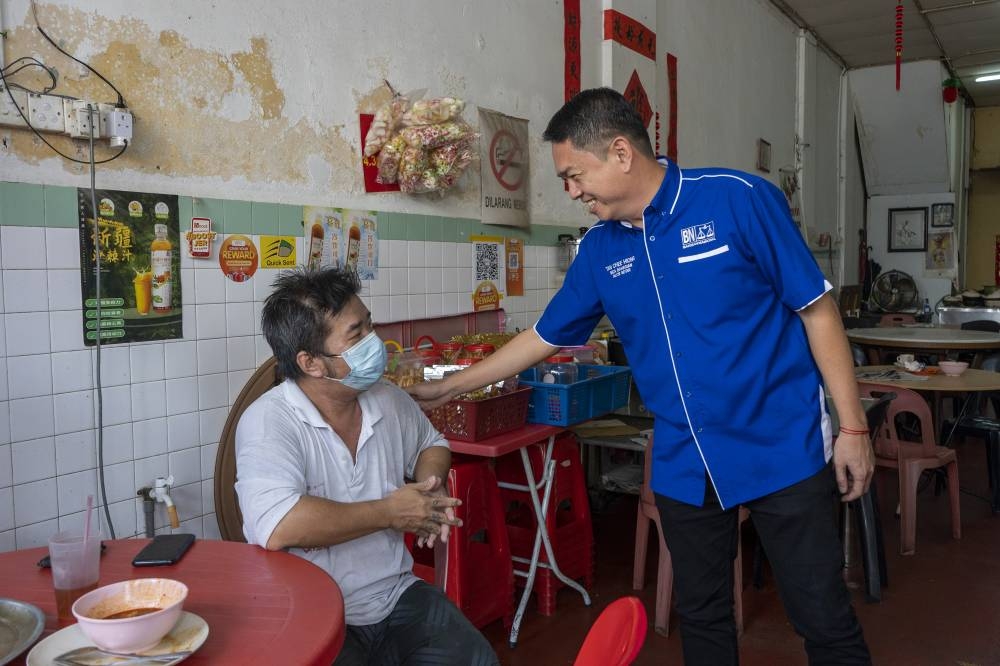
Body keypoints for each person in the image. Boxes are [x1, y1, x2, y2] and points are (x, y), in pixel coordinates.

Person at [410, 88, 873, 665]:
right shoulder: (601, 250)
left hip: (779, 442)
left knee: (821, 615)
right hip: (684, 456)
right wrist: (448, 386)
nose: (573, 192)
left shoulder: (738, 200)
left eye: (575, 174)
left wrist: (852, 428)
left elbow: (816, 308)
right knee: (701, 618)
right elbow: (545, 336)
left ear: (622, 153)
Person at [236, 266, 499, 666]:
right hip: (313, 607)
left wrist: (430, 486)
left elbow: (432, 444)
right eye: (357, 334)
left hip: (394, 593)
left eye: (370, 326)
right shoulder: (268, 421)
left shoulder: (386, 398)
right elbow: (280, 526)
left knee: (477, 659)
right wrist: (391, 513)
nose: (375, 342)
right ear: (311, 363)